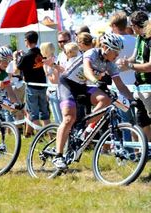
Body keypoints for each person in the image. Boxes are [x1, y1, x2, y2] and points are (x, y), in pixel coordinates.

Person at [54, 33, 135, 169]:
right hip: (67, 84)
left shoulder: (110, 64)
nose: (117, 55)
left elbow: (120, 85)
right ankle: (58, 156)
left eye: (118, 52)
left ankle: (83, 128)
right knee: (68, 118)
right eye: (115, 51)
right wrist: (97, 81)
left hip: (82, 86)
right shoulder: (92, 53)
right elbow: (87, 71)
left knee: (106, 99)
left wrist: (132, 100)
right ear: (105, 48)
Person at [119, 11, 151, 140]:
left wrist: (130, 66)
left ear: (136, 26)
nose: (131, 29)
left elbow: (149, 66)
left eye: (132, 26)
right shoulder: (139, 37)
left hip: (149, 85)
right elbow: (135, 57)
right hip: (139, 86)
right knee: (142, 120)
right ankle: (147, 150)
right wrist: (125, 63)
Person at [17, 31, 50, 138]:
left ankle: (39, 136)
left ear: (27, 41)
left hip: (32, 87)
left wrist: (15, 58)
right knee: (45, 113)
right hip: (43, 86)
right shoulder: (41, 53)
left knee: (34, 114)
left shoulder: (26, 56)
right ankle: (50, 135)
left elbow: (16, 71)